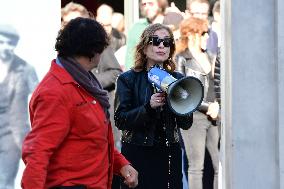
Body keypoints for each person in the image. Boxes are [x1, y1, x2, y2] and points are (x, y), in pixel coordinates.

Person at [21, 17, 138, 189]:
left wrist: (121, 164)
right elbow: (38, 152)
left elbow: (92, 139)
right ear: (93, 52)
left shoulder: (85, 81)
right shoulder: (56, 91)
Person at [115, 23, 193, 189]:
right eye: (155, 40)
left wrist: (180, 103)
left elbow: (186, 124)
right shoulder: (128, 79)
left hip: (169, 153)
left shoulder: (178, 79)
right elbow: (120, 120)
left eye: (167, 42)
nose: (161, 45)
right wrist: (148, 108)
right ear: (144, 47)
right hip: (138, 153)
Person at [175, 17, 219, 189]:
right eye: (204, 33)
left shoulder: (210, 55)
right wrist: (209, 107)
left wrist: (218, 106)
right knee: (196, 167)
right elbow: (182, 92)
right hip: (193, 117)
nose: (208, 37)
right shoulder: (182, 58)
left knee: (219, 166)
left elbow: (218, 85)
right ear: (192, 34)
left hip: (214, 116)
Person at [0, 24, 38, 189]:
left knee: (5, 180)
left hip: (11, 134)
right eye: (1, 42)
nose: (5, 47)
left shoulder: (26, 69)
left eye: (10, 43)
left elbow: (41, 100)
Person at [124, 0, 168, 70]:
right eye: (144, 4)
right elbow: (130, 57)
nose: (147, 7)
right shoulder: (136, 28)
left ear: (160, 4)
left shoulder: (171, 23)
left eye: (150, 3)